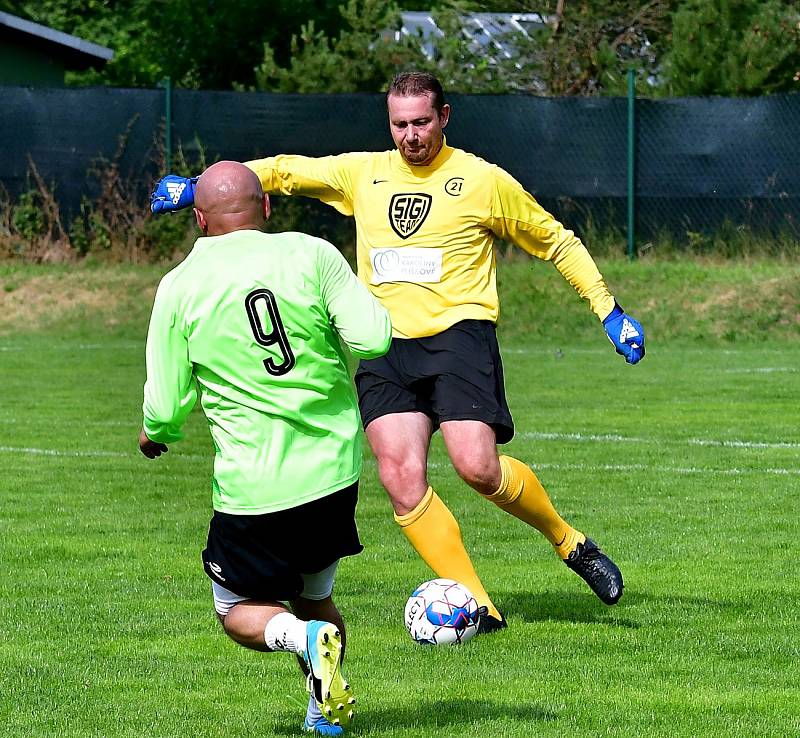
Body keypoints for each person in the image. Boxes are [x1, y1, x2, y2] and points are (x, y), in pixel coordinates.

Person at [151, 71, 645, 635]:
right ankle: (481, 609)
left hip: (459, 336)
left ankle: (568, 541)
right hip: (386, 344)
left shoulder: (481, 180)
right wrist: (198, 185)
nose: (410, 135)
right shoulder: (364, 173)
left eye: (422, 122)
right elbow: (285, 171)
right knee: (400, 475)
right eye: (400, 124)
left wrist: (608, 310)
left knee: (477, 468)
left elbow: (554, 239)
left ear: (445, 117)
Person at [141, 160, 392, 736]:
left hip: (254, 488)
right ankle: (320, 717)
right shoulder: (314, 253)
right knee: (313, 595)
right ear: (267, 209)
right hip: (333, 472)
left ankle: (301, 640)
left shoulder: (179, 285)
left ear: (199, 219)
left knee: (236, 612)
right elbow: (373, 338)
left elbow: (166, 400)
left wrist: (157, 433)